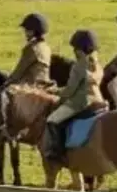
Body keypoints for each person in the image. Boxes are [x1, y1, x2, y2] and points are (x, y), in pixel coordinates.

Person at [44, 29, 105, 162]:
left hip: (81, 102)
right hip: (98, 100)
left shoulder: (78, 66)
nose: (74, 52)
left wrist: (55, 91)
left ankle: (58, 152)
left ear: (79, 49)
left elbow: (70, 91)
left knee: (52, 120)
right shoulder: (97, 64)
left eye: (75, 48)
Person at [5, 12, 54, 88]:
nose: (25, 33)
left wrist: (6, 83)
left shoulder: (31, 49)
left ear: (32, 31)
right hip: (44, 85)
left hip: (31, 86)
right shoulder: (46, 47)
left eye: (27, 30)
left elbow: (18, 72)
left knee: (4, 95)